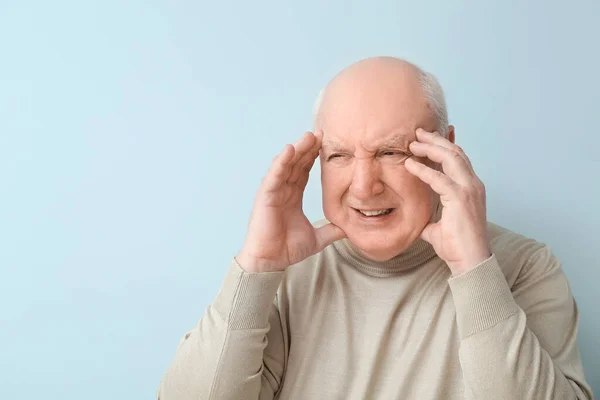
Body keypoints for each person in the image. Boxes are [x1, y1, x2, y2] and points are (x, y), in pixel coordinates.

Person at [156, 57, 593, 399]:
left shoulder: (524, 267)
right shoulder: (288, 274)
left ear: (447, 149)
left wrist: (475, 270)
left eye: (389, 152)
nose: (364, 188)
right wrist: (256, 269)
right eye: (339, 156)